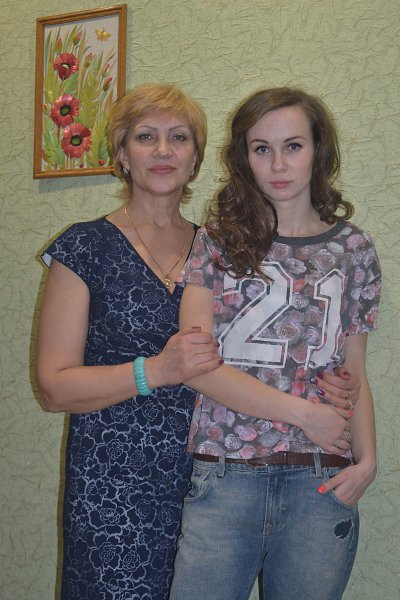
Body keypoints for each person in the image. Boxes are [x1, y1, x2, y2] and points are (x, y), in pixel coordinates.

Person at [169, 87, 381, 600]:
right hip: (226, 475)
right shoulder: (216, 242)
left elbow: (355, 372)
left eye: (293, 146)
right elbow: (197, 366)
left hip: (321, 482)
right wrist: (304, 414)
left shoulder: (353, 248)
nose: (278, 164)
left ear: (318, 151)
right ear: (243, 157)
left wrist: (368, 462)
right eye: (261, 148)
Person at [35, 83, 222, 600]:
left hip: (211, 485)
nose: (163, 150)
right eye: (145, 137)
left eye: (179, 137)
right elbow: (53, 387)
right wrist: (156, 370)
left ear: (195, 158)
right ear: (121, 154)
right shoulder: (84, 246)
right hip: (111, 488)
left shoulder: (219, 251)